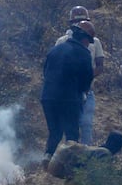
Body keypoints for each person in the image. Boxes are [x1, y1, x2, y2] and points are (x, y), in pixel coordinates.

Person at [41, 22, 96, 160]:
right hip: (69, 99)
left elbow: (45, 72)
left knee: (55, 132)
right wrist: (82, 94)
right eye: (88, 41)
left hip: (48, 97)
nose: (88, 44)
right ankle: (69, 169)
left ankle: (47, 158)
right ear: (84, 38)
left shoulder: (56, 49)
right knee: (71, 134)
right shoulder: (84, 53)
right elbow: (86, 80)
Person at [55, 8, 108, 146]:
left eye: (82, 21)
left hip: (86, 90)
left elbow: (100, 66)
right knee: (69, 125)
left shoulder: (94, 42)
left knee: (86, 125)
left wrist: (86, 78)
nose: (79, 24)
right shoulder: (62, 41)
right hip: (68, 91)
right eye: (76, 22)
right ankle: (68, 156)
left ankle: (85, 160)